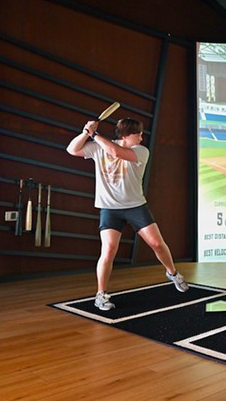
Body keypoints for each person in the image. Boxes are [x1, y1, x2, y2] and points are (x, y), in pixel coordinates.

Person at [66, 116, 188, 311]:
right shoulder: (98, 147)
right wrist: (85, 133)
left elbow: (116, 151)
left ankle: (173, 273)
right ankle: (101, 294)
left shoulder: (141, 151)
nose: (141, 138)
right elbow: (71, 150)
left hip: (136, 206)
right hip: (109, 209)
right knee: (108, 250)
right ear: (126, 135)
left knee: (157, 243)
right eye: (137, 134)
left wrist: (94, 134)